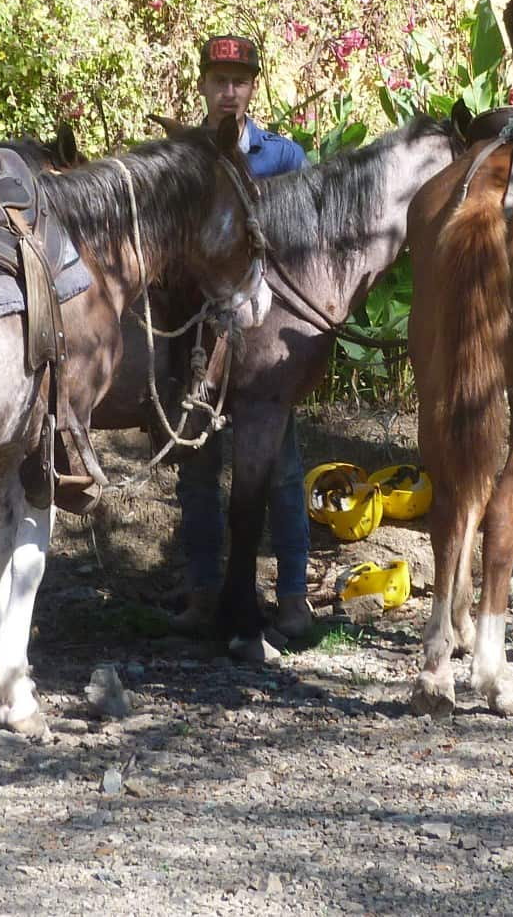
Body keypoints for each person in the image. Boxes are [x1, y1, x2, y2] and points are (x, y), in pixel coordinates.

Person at [173, 32, 312, 640]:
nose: (228, 92)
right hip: (196, 338)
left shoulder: (283, 160)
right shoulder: (182, 158)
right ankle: (205, 593)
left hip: (265, 338)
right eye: (218, 80)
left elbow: (310, 246)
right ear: (203, 85)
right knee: (196, 468)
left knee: (280, 467)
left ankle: (293, 598)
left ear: (254, 88)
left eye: (240, 81)